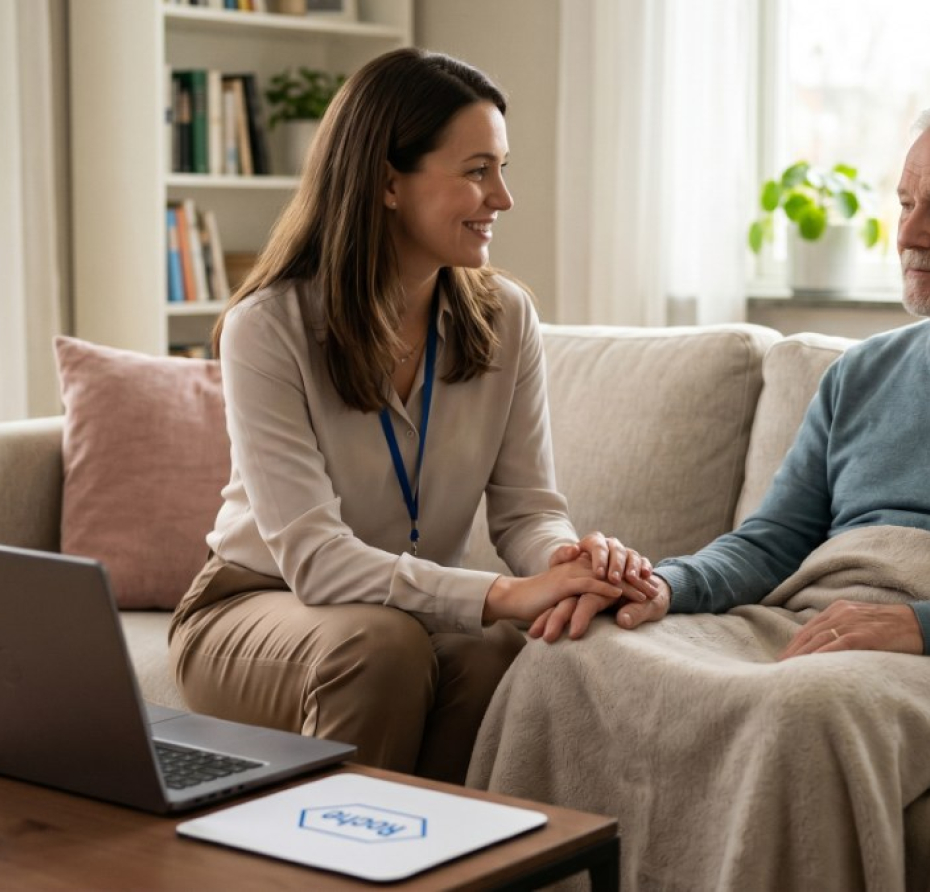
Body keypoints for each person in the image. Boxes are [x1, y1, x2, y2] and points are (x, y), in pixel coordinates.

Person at [475, 94, 930, 889]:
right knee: (566, 658)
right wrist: (663, 585)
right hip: (820, 620)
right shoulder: (862, 374)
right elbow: (771, 545)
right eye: (904, 203)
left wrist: (923, 627)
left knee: (804, 710)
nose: (908, 234)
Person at [168, 47, 656, 785]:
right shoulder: (268, 327)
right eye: (476, 170)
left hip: (399, 613)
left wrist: (566, 563)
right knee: (383, 647)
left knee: (493, 652)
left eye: (502, 167)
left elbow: (526, 511)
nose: (503, 198)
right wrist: (498, 594)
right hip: (254, 606)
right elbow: (314, 559)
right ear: (388, 182)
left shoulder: (506, 318)